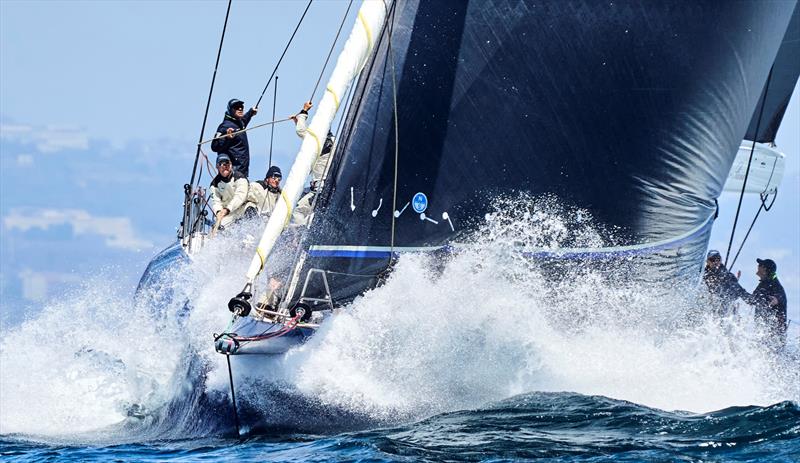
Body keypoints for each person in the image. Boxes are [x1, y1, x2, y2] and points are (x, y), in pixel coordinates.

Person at [291, 101, 335, 226]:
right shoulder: (333, 141)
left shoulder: (318, 141)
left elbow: (301, 131)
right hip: (327, 187)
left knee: (299, 211)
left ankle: (306, 231)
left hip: (319, 189)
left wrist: (304, 112)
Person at [739, 258, 788, 350]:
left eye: (760, 265)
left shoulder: (775, 285)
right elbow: (751, 300)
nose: (757, 266)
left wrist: (776, 300)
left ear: (764, 269)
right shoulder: (763, 284)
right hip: (763, 333)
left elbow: (780, 297)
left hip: (774, 336)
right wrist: (737, 288)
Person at [211, 99, 258, 177]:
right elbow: (214, 147)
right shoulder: (225, 126)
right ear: (230, 110)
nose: (240, 108)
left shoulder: (239, 123)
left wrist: (250, 113)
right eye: (236, 107)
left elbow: (244, 121)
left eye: (241, 106)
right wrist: (227, 138)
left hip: (242, 170)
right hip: (233, 172)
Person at [210, 154, 256, 230]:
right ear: (217, 166)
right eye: (222, 164)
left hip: (243, 208)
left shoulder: (240, 178)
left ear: (231, 165)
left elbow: (240, 197)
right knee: (220, 227)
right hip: (229, 213)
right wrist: (218, 212)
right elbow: (216, 202)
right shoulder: (214, 185)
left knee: (250, 210)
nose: (225, 167)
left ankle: (252, 234)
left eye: (227, 164)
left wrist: (227, 209)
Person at [702, 250, 743, 317]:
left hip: (724, 305)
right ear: (707, 261)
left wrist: (736, 280)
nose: (715, 262)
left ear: (720, 261)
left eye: (718, 259)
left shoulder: (725, 273)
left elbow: (734, 285)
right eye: (712, 260)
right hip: (711, 304)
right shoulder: (703, 274)